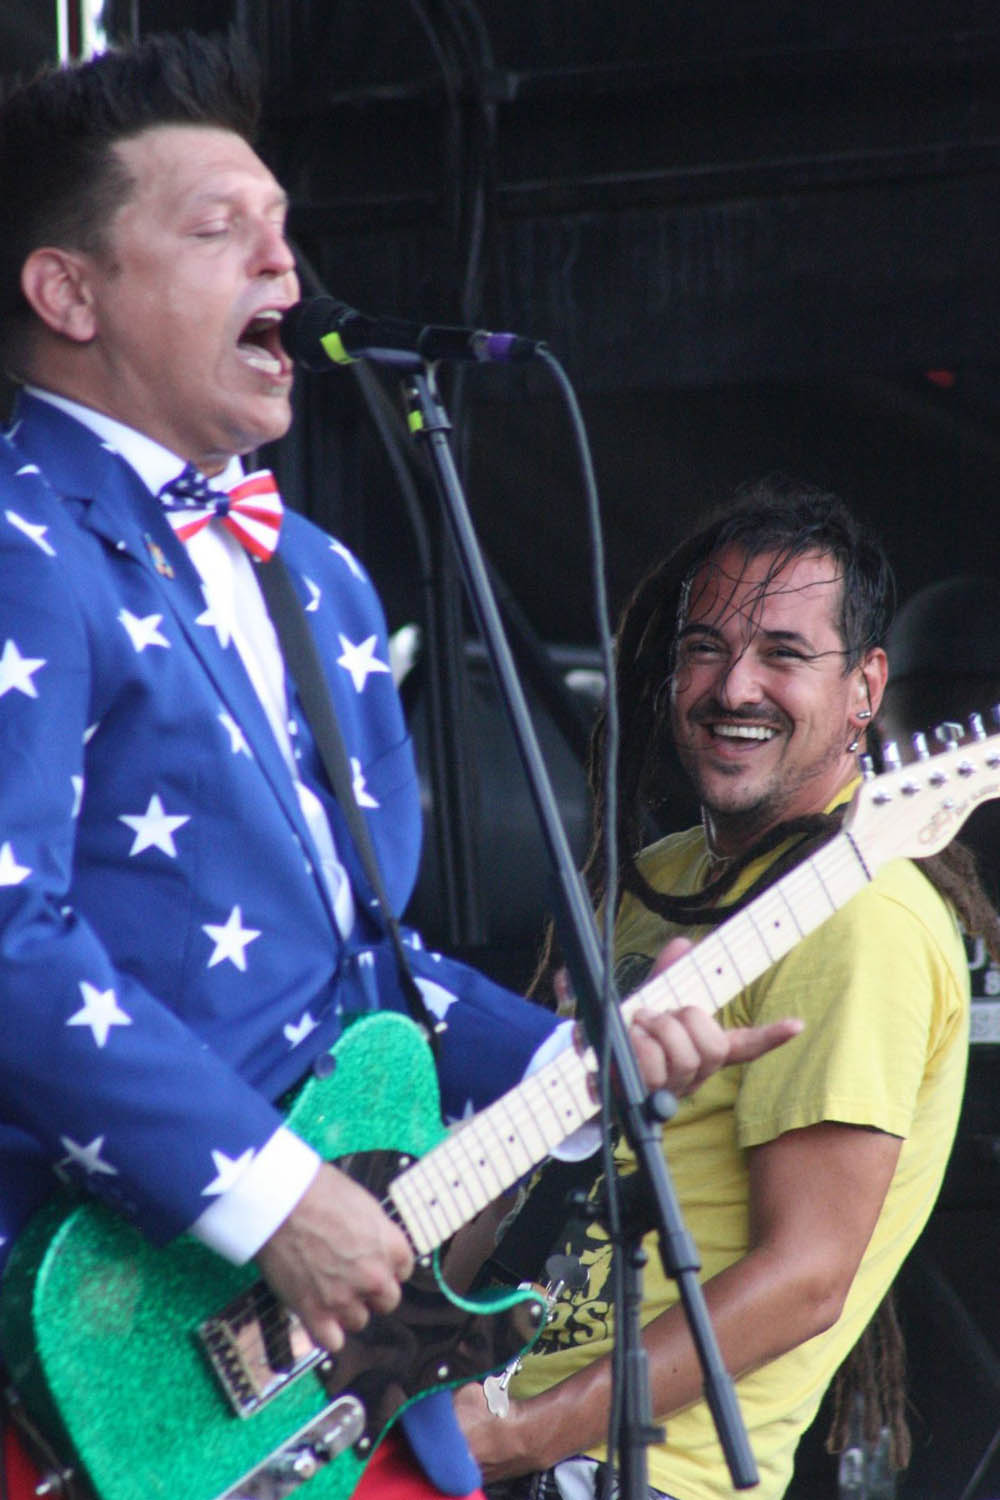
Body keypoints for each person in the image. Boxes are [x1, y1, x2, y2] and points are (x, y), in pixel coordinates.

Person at [0, 32, 800, 1500]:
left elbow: (366, 966)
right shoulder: (21, 544)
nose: (283, 267)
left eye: (283, 228)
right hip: (85, 1344)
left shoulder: (319, 578)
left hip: (328, 1372)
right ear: (68, 293)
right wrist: (272, 1198)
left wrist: (567, 1060)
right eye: (218, 230)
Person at [454, 481, 1000, 1500]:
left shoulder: (863, 916)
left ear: (866, 687)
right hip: (483, 1413)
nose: (734, 686)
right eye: (705, 648)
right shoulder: (658, 879)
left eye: (783, 654)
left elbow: (805, 1279)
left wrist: (522, 1434)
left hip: (619, 1470)